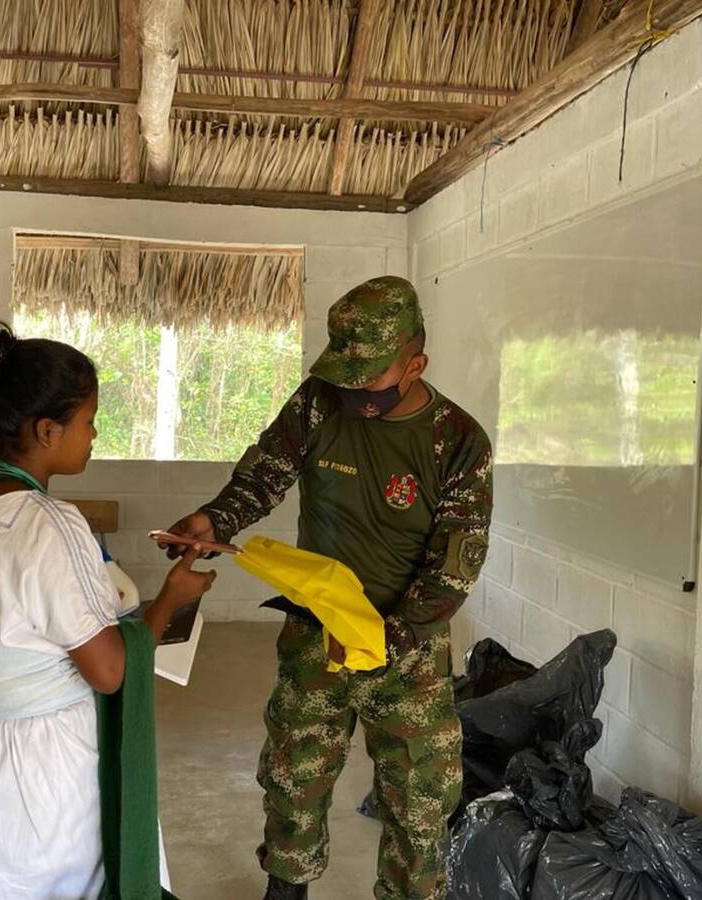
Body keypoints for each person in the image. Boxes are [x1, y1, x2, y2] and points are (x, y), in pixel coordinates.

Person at [163, 276, 493, 900]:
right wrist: (214, 520)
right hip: (316, 634)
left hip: (407, 650)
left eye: (366, 376)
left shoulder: (458, 440)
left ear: (414, 363)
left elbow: (454, 566)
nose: (350, 389)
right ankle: (284, 893)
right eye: (343, 371)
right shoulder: (319, 402)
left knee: (419, 802)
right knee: (294, 778)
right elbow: (265, 473)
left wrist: (387, 638)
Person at [0, 324, 215, 899]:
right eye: (89, 420)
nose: (95, 434)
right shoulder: (51, 522)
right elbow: (108, 670)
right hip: (46, 764)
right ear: (47, 430)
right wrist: (170, 599)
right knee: (61, 882)